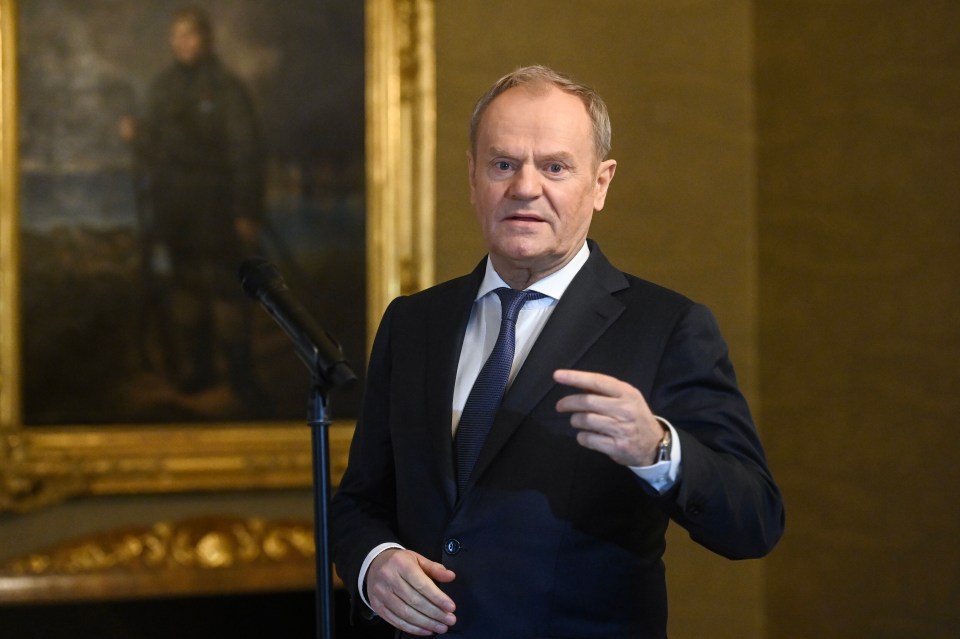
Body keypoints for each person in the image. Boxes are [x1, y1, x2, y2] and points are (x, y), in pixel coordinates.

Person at [330, 65, 784, 638]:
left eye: (555, 167)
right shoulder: (413, 323)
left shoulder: (668, 327)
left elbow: (755, 522)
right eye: (503, 164)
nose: (524, 187)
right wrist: (374, 563)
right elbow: (357, 502)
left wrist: (658, 448)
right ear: (472, 177)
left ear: (600, 183)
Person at [120, 6, 265, 404]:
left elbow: (246, 153)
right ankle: (200, 369)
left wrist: (246, 211)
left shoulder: (226, 88)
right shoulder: (163, 87)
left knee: (228, 293)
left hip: (219, 210)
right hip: (177, 211)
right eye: (177, 36)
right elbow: (157, 150)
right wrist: (138, 136)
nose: (183, 43)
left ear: (206, 40)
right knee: (187, 295)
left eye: (191, 35)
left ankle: (240, 377)